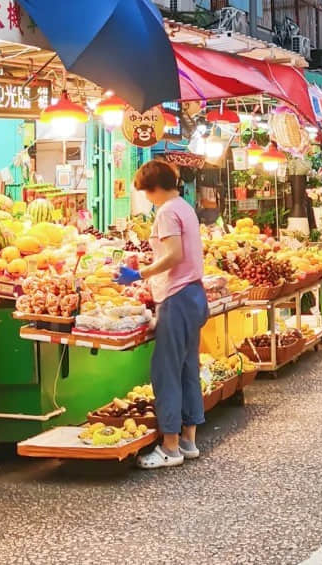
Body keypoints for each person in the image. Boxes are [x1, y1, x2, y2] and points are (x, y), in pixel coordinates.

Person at [123, 160, 208, 469]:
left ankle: (170, 446)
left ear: (153, 187)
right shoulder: (184, 206)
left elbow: (174, 255)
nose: (146, 196)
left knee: (166, 371)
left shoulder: (167, 211)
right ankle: (188, 440)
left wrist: (139, 274)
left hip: (177, 296)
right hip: (194, 295)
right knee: (187, 369)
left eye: (145, 191)